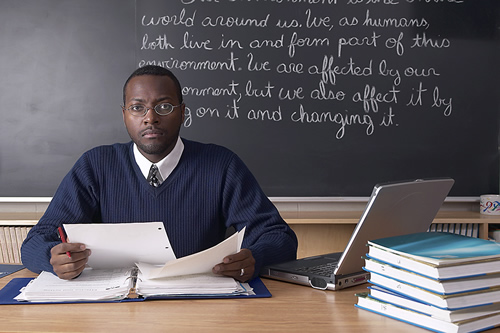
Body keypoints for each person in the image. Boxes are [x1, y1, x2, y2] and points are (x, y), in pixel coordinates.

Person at [20, 65, 298, 282]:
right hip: (115, 308)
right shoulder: (95, 166)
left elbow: (278, 236)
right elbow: (36, 241)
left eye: (163, 106)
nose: (150, 117)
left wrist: (255, 257)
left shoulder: (221, 164)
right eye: (137, 107)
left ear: (182, 112)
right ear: (125, 114)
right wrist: (52, 257)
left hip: (200, 304)